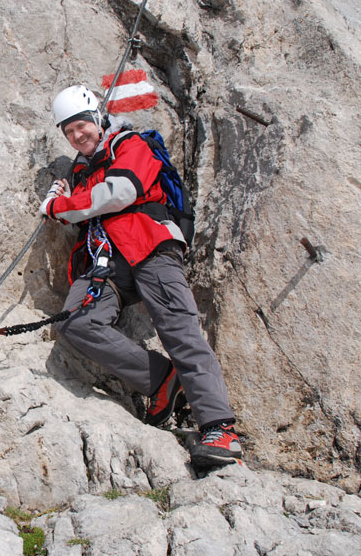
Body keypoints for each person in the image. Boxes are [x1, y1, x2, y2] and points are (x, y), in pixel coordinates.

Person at [39, 84, 241, 468]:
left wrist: (59, 205)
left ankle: (220, 429)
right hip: (106, 262)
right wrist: (65, 197)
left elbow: (122, 191)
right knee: (76, 321)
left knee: (179, 331)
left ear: (97, 119)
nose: (78, 135)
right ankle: (163, 380)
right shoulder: (81, 171)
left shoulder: (130, 145)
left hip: (149, 244)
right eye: (69, 131)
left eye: (81, 125)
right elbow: (86, 209)